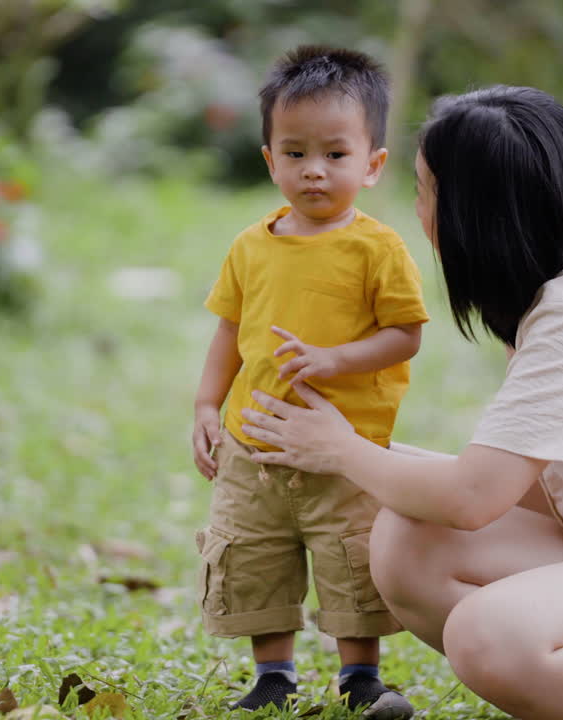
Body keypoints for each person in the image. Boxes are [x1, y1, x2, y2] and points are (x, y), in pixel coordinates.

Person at [239, 84, 563, 720]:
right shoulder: (561, 286)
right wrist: (328, 449)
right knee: (411, 541)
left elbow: (473, 498)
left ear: (471, 213)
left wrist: (342, 451)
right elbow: (511, 483)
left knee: (490, 634)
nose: (418, 212)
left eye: (423, 191)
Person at [191, 45, 428, 717]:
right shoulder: (251, 245)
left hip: (343, 448)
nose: (314, 171)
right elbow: (229, 332)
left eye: (335, 154)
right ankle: (273, 674)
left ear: (373, 164)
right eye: (294, 154)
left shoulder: (378, 249)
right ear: (269, 160)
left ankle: (360, 679)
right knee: (255, 555)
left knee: (350, 561)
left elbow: (404, 333)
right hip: (255, 443)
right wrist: (208, 403)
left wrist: (334, 360)